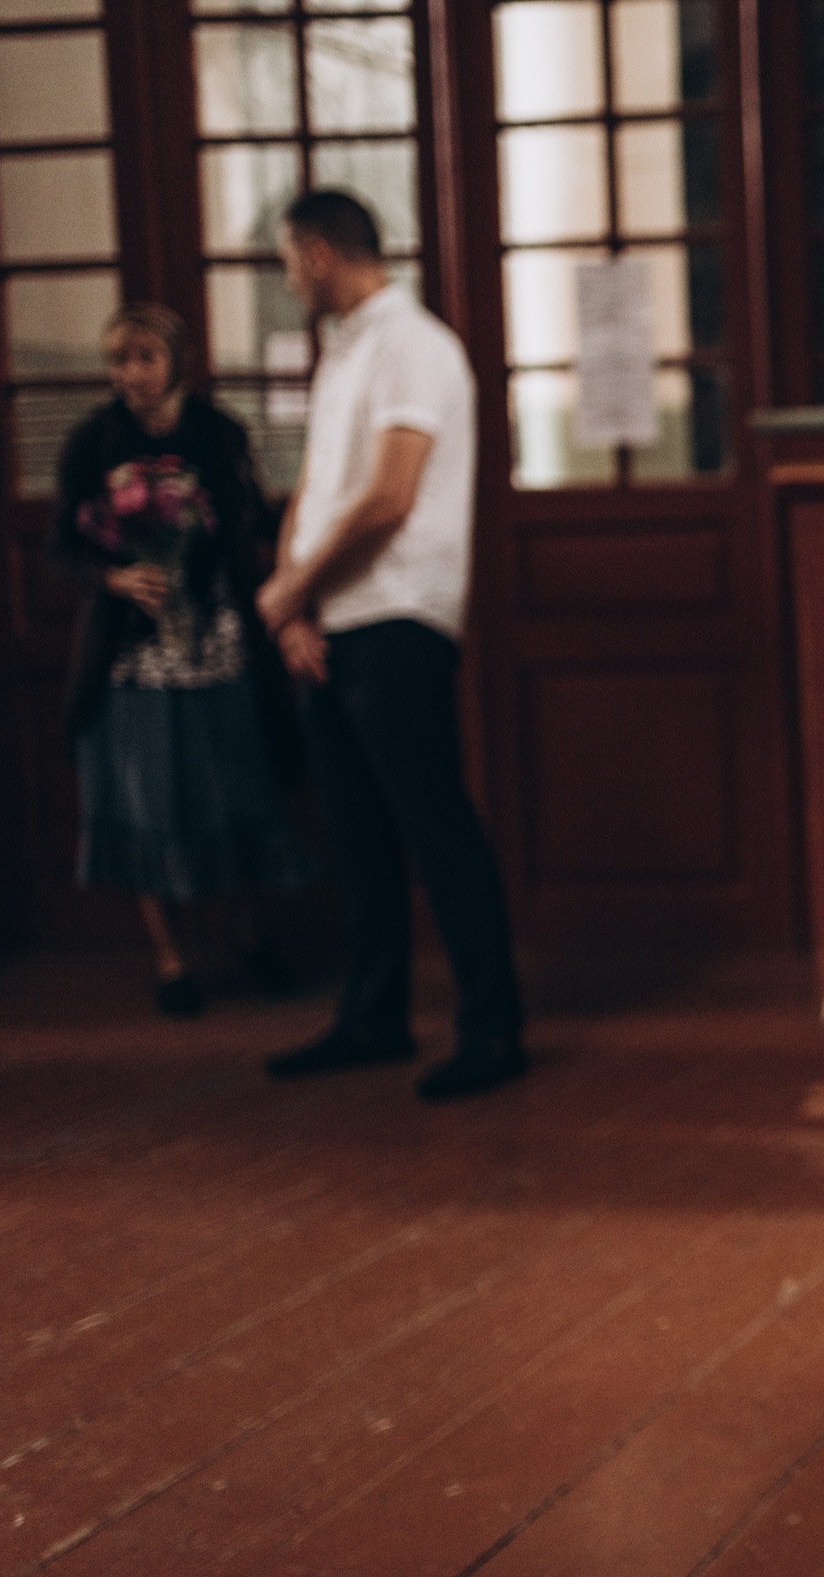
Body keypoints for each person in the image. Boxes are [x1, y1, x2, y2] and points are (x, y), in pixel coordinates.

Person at [256, 189, 527, 1101]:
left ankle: (493, 1031)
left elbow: (390, 497)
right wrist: (294, 609)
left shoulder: (416, 344)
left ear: (323, 252)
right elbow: (317, 490)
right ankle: (373, 1017)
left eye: (289, 256)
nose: (287, 274)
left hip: (399, 617)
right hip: (334, 620)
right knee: (356, 835)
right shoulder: (343, 354)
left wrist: (295, 585)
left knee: (434, 825)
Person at [48, 302, 317, 1015]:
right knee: (146, 800)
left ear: (178, 363)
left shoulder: (219, 432)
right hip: (130, 658)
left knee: (232, 787)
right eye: (118, 361)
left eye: (144, 358)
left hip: (218, 641)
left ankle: (250, 938)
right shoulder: (93, 441)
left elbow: (253, 516)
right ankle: (171, 960)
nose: (130, 374)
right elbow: (61, 548)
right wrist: (115, 577)